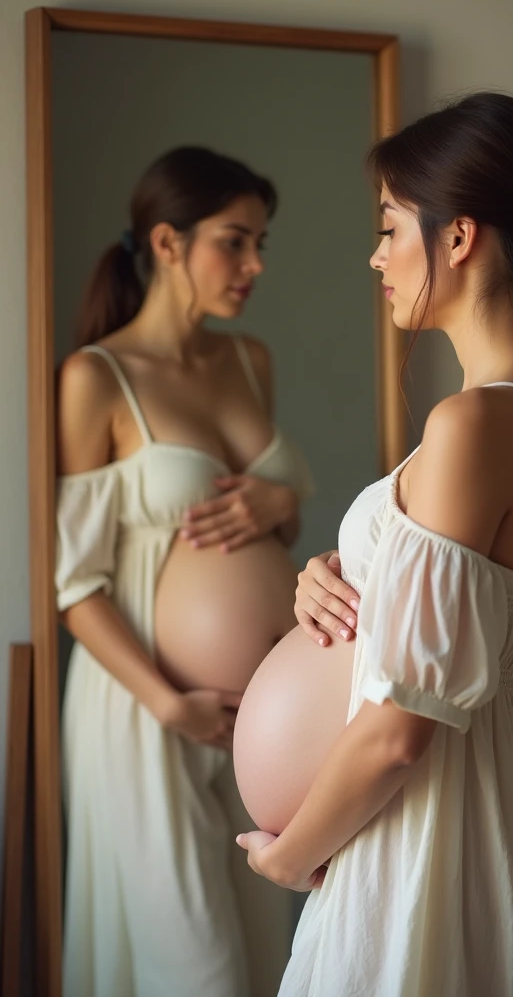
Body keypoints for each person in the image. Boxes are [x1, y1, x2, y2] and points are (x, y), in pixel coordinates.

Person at [236, 92, 513, 996]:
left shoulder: (477, 422)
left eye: (391, 226)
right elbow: (474, 624)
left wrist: (294, 860)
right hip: (494, 808)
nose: (377, 256)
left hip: (433, 826)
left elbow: (402, 731)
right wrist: (339, 576)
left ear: (460, 236)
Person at [55, 146, 313, 997]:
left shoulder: (252, 362)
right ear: (167, 243)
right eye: (234, 242)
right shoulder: (97, 378)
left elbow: (261, 526)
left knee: (257, 948)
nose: (255, 265)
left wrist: (282, 506)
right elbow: (75, 583)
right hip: (148, 707)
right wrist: (170, 700)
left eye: (259, 243)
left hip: (260, 719)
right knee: (189, 966)